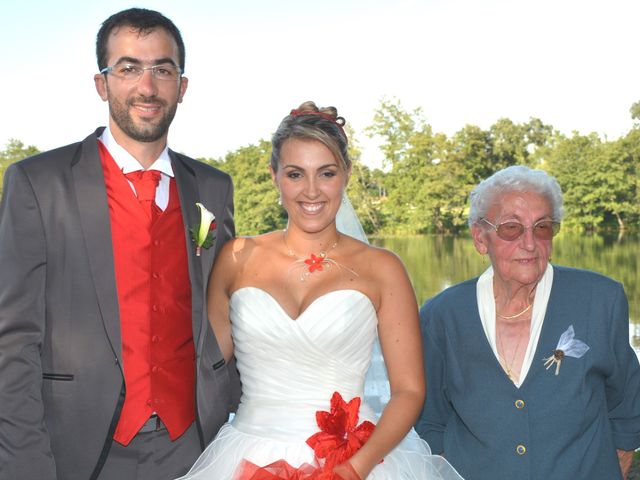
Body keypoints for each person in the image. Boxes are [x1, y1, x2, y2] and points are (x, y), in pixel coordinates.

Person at [0, 8, 238, 480]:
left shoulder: (213, 188)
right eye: (128, 68)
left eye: (162, 70)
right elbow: (13, 339)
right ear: (101, 83)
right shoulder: (37, 183)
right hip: (75, 445)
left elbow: (226, 308)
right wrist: (25, 464)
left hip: (194, 445)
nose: (147, 87)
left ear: (181, 87)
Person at [176, 101, 461, 480]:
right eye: (296, 174)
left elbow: (409, 391)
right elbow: (205, 368)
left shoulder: (383, 268)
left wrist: (353, 469)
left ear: (346, 174)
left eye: (326, 173)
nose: (311, 191)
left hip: (355, 461)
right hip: (246, 456)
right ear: (274, 175)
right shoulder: (236, 257)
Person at [416, 165, 640, 479]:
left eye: (543, 227)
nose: (530, 243)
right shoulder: (441, 316)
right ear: (481, 238)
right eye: (511, 228)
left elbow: (627, 409)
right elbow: (430, 425)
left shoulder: (600, 300)